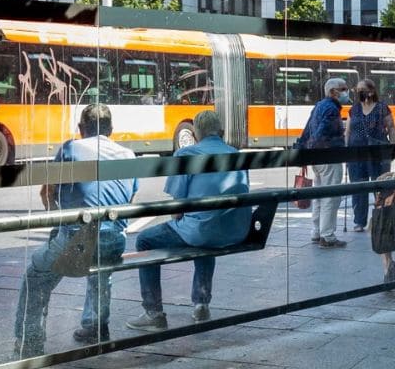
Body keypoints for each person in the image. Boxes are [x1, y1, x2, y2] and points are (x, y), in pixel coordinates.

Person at [15, 104, 138, 355]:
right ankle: (95, 326)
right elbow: (129, 199)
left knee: (36, 278)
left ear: (82, 129)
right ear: (111, 130)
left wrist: (58, 218)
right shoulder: (128, 155)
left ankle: (30, 339)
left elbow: (47, 194)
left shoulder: (70, 148)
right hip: (115, 239)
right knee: (101, 270)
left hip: (78, 241)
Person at [127, 110, 250, 332]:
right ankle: (201, 304)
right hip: (237, 230)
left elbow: (177, 208)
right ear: (220, 131)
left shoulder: (186, 154)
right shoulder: (235, 153)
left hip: (204, 232)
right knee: (205, 233)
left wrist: (181, 218)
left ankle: (153, 312)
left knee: (145, 240)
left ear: (196, 133)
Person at [299, 77, 349, 248]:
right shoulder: (331, 109)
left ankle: (316, 231)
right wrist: (320, 146)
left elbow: (307, 130)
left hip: (317, 157)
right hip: (329, 157)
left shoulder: (319, 105)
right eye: (343, 89)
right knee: (331, 196)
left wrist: (306, 150)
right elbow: (321, 132)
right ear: (333, 92)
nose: (346, 92)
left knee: (319, 195)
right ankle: (327, 236)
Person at [345, 78, 395, 232]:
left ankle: (382, 217)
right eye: (357, 90)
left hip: (378, 153)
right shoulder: (353, 109)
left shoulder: (382, 108)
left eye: (361, 90)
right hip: (356, 153)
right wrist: (346, 152)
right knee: (359, 187)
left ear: (372, 91)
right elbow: (347, 131)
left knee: (380, 186)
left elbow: (392, 128)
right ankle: (359, 221)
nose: (358, 92)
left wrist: (392, 149)